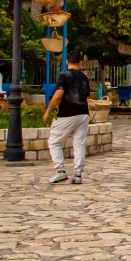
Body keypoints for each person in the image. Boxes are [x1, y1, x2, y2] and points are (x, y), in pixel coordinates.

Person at [42, 52, 93, 184]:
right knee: (79, 144)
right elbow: (86, 95)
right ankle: (78, 174)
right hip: (83, 113)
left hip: (67, 113)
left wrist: (48, 111)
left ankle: (60, 171)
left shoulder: (63, 76)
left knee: (54, 141)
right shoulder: (84, 78)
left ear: (66, 62)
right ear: (80, 63)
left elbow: (58, 95)